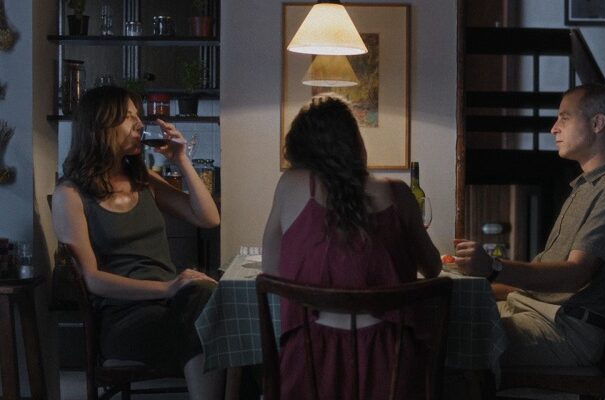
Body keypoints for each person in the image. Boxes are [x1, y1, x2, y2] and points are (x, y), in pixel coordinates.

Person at [455, 83, 605, 367]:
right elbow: (537, 285)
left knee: (447, 336)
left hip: (565, 328)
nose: (553, 129)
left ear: (597, 123)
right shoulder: (586, 187)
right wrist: (464, 284)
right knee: (444, 314)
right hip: (534, 311)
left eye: (564, 117)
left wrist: (494, 267)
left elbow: (576, 275)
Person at [262, 94, 441, 399]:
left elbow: (271, 271)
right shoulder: (398, 193)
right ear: (355, 143)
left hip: (310, 362)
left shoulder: (290, 185)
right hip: (391, 364)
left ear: (300, 148)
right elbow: (433, 268)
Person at [51, 86, 225, 399]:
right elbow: (92, 280)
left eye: (138, 116)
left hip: (173, 307)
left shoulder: (143, 181)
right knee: (214, 320)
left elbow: (209, 218)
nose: (140, 124)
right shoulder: (71, 195)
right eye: (128, 117)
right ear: (100, 126)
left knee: (212, 307)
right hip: (124, 320)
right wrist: (168, 287)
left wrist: (182, 160)